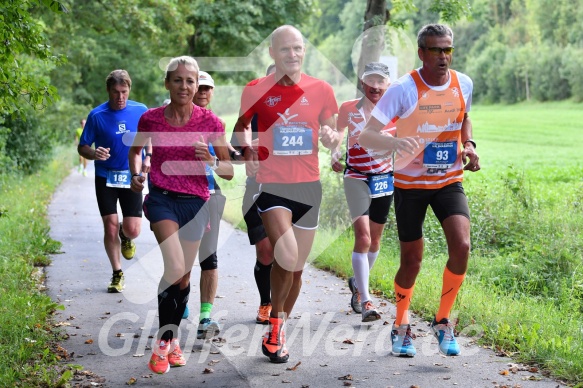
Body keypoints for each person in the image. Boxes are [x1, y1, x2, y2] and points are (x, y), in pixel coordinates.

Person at [359, 24, 480, 357]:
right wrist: (396, 141)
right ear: (422, 52)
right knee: (412, 261)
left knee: (462, 244)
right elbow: (367, 136)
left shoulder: (463, 83)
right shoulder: (402, 89)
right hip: (410, 185)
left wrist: (468, 144)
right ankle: (401, 325)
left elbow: (465, 117)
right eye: (436, 50)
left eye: (448, 50)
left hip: (448, 180)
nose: (444, 56)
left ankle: (443, 321)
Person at [233, 25, 340, 363]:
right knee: (287, 255)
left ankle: (276, 327)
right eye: (285, 50)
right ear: (272, 53)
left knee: (295, 271)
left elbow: (333, 131)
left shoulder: (321, 89)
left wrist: (331, 137)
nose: (292, 55)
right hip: (272, 184)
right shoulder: (255, 90)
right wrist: (247, 149)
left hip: (309, 186)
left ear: (304, 51)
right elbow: (239, 133)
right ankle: (276, 327)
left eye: (297, 48)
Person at [128, 56, 233, 374]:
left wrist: (212, 160)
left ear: (196, 85)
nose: (185, 86)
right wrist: (136, 174)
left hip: (197, 202)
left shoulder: (210, 122)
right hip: (161, 199)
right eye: (178, 80)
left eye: (190, 81)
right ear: (167, 84)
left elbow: (228, 170)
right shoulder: (151, 119)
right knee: (174, 265)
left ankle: (171, 340)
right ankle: (163, 343)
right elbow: (135, 150)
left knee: (184, 275)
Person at [332, 62, 395, 323]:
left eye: (381, 82)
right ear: (362, 83)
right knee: (364, 236)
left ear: (388, 85)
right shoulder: (348, 108)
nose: (376, 86)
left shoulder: (395, 110)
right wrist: (334, 152)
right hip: (356, 176)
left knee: (376, 240)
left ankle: (357, 283)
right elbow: (337, 133)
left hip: (384, 179)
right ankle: (366, 299)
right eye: (371, 81)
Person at [77, 69, 149, 293]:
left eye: (124, 92)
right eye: (116, 92)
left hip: (132, 175)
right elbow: (83, 146)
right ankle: (117, 273)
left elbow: (151, 139)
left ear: (129, 90)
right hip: (105, 176)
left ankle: (125, 234)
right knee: (109, 226)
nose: (120, 97)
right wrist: (93, 153)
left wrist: (150, 158)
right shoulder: (97, 115)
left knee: (133, 229)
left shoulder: (141, 111)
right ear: (108, 90)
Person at [231, 63, 277, 325]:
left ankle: (280, 305)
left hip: (290, 189)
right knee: (265, 251)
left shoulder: (298, 112)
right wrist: (249, 152)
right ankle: (265, 303)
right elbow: (235, 151)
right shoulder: (250, 111)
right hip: (257, 189)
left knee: (285, 254)